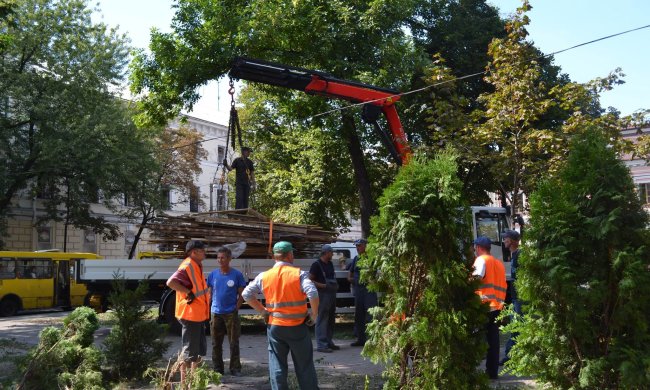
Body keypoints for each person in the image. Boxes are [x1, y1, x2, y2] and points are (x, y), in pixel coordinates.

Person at [242, 241, 320, 390]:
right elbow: (313, 292)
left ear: (275, 257)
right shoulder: (298, 274)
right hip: (298, 327)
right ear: (290, 255)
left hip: (275, 327)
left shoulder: (264, 276)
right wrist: (314, 314)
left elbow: (246, 294)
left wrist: (263, 311)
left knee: (277, 365)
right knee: (305, 366)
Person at [166, 240, 211, 385]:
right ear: (194, 252)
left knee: (196, 351)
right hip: (190, 314)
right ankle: (185, 384)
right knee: (189, 351)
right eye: (202, 249)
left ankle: (193, 381)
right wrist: (188, 292)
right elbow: (170, 282)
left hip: (197, 315)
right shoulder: (187, 265)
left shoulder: (196, 265)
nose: (205, 252)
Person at [207, 246, 247, 376]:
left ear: (229, 259)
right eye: (218, 258)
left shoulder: (237, 275)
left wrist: (237, 306)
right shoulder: (213, 274)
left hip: (231, 313)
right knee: (215, 343)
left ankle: (235, 368)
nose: (220, 260)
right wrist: (209, 307)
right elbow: (209, 293)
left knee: (233, 342)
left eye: (223, 257)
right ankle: (217, 369)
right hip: (216, 313)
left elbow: (242, 294)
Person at [472, 236, 507, 380]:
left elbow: (476, 278)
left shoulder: (481, 260)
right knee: (493, 340)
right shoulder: (498, 263)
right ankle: (492, 372)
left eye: (475, 247)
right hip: (497, 306)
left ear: (479, 247)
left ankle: (472, 370)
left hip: (483, 306)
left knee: (479, 338)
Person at [309, 244, 339, 353]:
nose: (332, 254)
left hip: (331, 294)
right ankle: (321, 345)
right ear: (326, 253)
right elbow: (309, 280)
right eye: (331, 252)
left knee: (331, 318)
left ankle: (329, 342)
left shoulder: (330, 263)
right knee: (322, 319)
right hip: (322, 295)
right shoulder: (316, 265)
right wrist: (322, 285)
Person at [348, 238, 377, 347]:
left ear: (365, 246)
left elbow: (377, 275)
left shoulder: (372, 259)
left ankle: (372, 341)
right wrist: (355, 280)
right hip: (358, 291)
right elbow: (349, 276)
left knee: (371, 315)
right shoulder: (355, 259)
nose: (357, 248)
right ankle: (361, 340)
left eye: (359, 246)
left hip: (369, 291)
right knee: (359, 316)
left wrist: (369, 280)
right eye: (356, 246)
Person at [501, 229, 521, 366]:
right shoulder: (514, 255)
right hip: (516, 298)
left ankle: (510, 356)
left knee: (516, 327)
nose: (504, 241)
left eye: (506, 239)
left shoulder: (520, 255)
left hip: (520, 298)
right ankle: (514, 355)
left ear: (513, 241)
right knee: (516, 326)